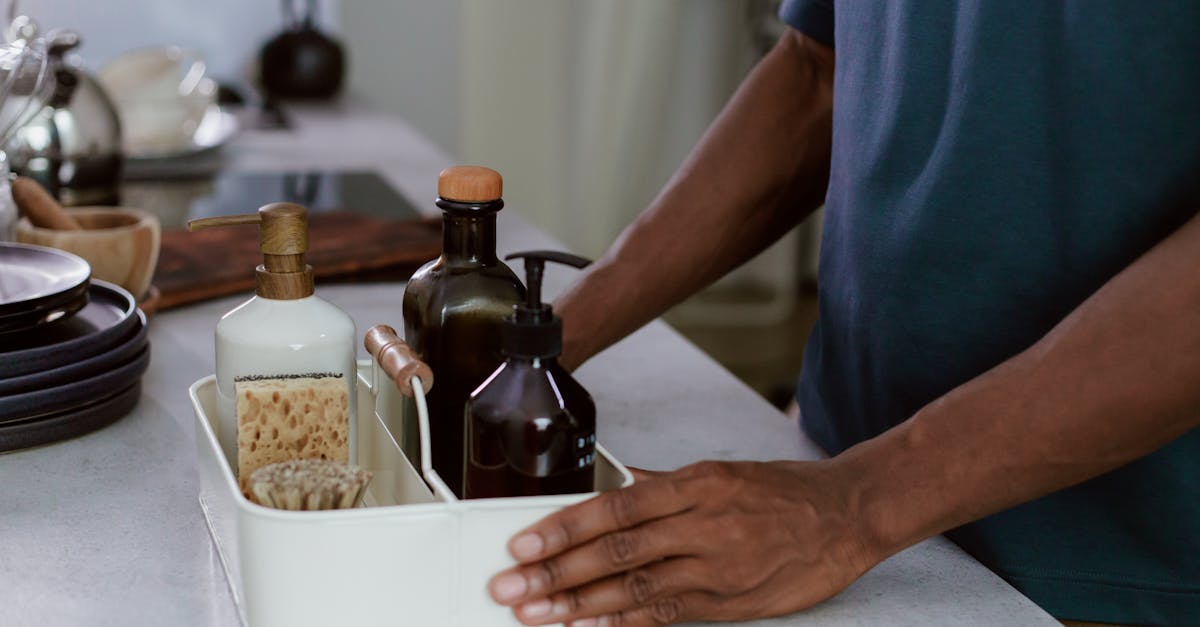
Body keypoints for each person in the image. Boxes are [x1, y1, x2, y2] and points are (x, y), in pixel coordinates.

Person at [486, 1, 1200, 625]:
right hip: (825, 478)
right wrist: (548, 335)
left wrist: (859, 505)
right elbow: (816, 75)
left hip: (1112, 568)